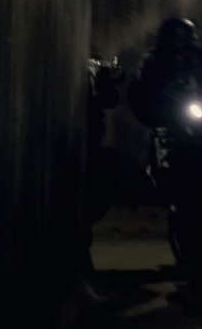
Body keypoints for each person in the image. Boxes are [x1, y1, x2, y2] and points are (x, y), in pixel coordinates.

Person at [128, 17, 202, 317]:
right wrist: (161, 114)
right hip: (169, 137)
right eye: (175, 43)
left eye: (184, 43)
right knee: (181, 208)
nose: (180, 50)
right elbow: (139, 98)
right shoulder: (153, 62)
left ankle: (189, 260)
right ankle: (194, 285)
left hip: (201, 135)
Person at [78, 54, 123, 293]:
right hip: (82, 144)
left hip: (89, 143)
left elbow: (110, 99)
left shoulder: (92, 68)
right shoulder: (85, 68)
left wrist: (106, 76)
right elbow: (109, 99)